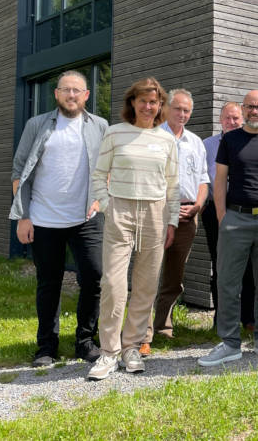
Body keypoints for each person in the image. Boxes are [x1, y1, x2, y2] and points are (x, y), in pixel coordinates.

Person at [10, 70, 107, 367]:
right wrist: (23, 216)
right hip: (43, 218)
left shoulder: (100, 126)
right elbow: (19, 172)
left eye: (78, 90)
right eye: (66, 90)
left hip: (86, 218)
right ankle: (46, 347)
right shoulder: (37, 124)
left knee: (93, 278)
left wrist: (100, 200)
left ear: (87, 95)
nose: (72, 95)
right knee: (48, 283)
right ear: (56, 94)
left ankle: (85, 341)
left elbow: (108, 169)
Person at [87, 78, 179, 380]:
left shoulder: (167, 140)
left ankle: (131, 347)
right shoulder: (115, 133)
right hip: (120, 210)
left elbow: (172, 185)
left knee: (146, 285)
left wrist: (172, 220)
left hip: (154, 211)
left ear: (160, 106)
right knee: (113, 284)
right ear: (133, 103)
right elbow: (99, 174)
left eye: (154, 102)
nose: (148, 106)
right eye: (143, 101)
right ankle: (108, 352)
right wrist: (107, 204)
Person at [198, 90, 258, 367]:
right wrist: (223, 217)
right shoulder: (230, 139)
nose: (255, 111)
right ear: (243, 108)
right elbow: (220, 180)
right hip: (236, 219)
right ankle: (229, 342)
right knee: (228, 281)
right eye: (250, 106)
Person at [139, 89, 209, 356]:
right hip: (157, 215)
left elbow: (204, 179)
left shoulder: (195, 142)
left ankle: (162, 326)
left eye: (187, 110)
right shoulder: (152, 138)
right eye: (178, 109)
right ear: (165, 109)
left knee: (174, 277)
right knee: (148, 274)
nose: (182, 114)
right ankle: (142, 334)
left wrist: (198, 206)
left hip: (187, 217)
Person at [202, 102, 256, 329]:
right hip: (216, 212)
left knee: (249, 267)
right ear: (220, 120)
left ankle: (249, 318)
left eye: (236, 118)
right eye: (228, 118)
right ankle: (222, 318)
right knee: (221, 265)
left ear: (242, 119)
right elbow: (202, 179)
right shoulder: (207, 146)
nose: (232, 122)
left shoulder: (251, 140)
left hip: (245, 212)